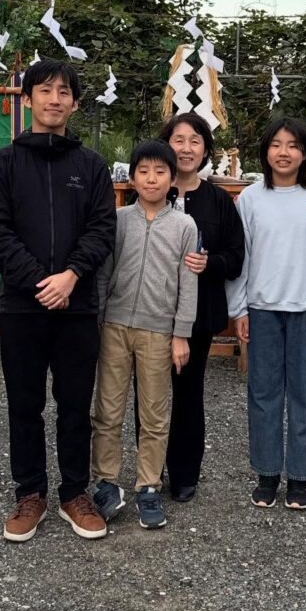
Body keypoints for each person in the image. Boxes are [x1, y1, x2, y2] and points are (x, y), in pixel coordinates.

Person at [0, 58, 116, 543]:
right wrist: (42, 282)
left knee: (75, 404)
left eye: (64, 92)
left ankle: (74, 493)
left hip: (77, 307)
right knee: (25, 404)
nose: (54, 99)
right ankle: (30, 493)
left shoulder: (91, 166)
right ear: (28, 98)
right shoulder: (4, 164)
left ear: (75, 103)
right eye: (45, 90)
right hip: (22, 306)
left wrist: (71, 277)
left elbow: (102, 229)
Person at [226, 117, 306, 511]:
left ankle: (299, 477)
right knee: (263, 394)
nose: (283, 152)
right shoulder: (251, 198)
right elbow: (241, 258)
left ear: (305, 152)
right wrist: (239, 308)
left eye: (293, 145)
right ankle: (266, 473)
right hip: (261, 311)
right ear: (265, 152)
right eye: (276, 144)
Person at [133, 112, 244, 503]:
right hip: (149, 313)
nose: (186, 148)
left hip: (198, 315)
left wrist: (209, 262)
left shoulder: (218, 201)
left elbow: (236, 258)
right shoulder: (148, 194)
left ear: (205, 150)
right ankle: (150, 473)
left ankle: (184, 474)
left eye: (195, 141)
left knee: (188, 393)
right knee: (147, 394)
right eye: (178, 139)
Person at [92, 140, 199, 529]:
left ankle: (148, 486)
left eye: (159, 171)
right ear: (132, 178)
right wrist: (97, 321)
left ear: (172, 178)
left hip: (159, 331)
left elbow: (188, 283)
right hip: (114, 327)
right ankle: (105, 483)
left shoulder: (185, 226)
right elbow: (103, 274)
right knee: (107, 410)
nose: (151, 179)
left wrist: (181, 334)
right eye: (143, 171)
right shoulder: (119, 220)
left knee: (154, 414)